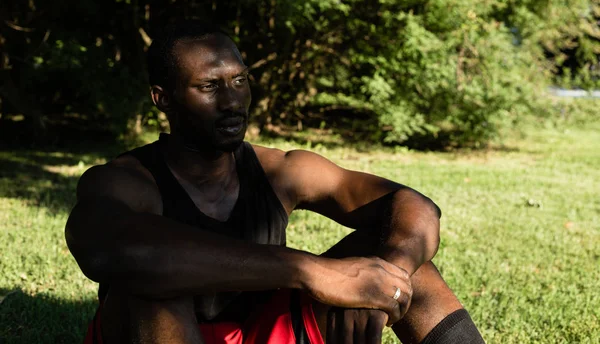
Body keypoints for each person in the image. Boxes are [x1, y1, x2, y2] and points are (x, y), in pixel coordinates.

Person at [65, 21, 485, 344]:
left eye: (240, 81)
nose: (232, 101)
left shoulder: (280, 170)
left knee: (404, 260)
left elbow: (413, 205)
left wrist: (384, 280)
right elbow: (128, 254)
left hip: (262, 331)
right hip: (161, 329)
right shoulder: (124, 180)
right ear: (164, 98)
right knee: (154, 288)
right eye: (209, 87)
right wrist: (311, 271)